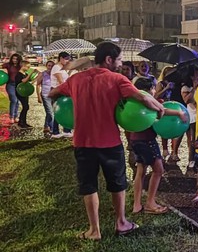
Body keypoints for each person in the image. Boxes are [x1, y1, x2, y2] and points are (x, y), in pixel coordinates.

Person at [48, 41, 165, 241]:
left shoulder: (76, 80)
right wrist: (160, 109)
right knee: (117, 184)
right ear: (109, 59)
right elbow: (142, 98)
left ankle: (94, 230)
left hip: (83, 143)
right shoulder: (117, 79)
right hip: (109, 142)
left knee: (89, 185)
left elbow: (52, 93)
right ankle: (121, 223)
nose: (120, 63)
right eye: (118, 59)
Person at [130, 77, 186, 215]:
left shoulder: (133, 102)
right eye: (154, 88)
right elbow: (162, 110)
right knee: (158, 170)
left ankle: (136, 205)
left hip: (135, 139)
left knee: (141, 170)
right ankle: (150, 203)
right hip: (147, 140)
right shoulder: (148, 101)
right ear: (148, 90)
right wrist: (179, 113)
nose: (155, 90)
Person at [182, 68, 198, 171]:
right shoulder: (186, 88)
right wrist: (195, 88)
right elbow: (187, 100)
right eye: (197, 75)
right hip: (192, 117)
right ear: (191, 77)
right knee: (192, 139)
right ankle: (191, 161)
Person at [51, 51, 73, 137]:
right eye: (66, 59)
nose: (67, 61)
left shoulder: (62, 68)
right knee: (58, 111)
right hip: (57, 92)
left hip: (62, 91)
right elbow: (61, 82)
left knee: (65, 110)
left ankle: (66, 130)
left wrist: (70, 72)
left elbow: (66, 79)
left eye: (69, 59)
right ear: (61, 58)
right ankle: (55, 132)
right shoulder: (56, 67)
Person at [36, 60, 55, 135]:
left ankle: (46, 126)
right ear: (46, 66)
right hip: (45, 95)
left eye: (52, 66)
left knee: (50, 112)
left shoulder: (55, 74)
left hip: (53, 95)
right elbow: (38, 85)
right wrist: (38, 96)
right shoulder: (42, 74)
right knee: (50, 112)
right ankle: (52, 128)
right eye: (49, 65)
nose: (50, 67)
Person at [2, 53, 22, 124]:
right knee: (14, 100)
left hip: (19, 85)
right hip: (10, 84)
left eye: (16, 59)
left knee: (17, 101)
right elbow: (1, 66)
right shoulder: (8, 65)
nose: (14, 60)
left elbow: (27, 70)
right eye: (13, 58)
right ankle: (11, 117)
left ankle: (16, 116)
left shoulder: (20, 66)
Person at [14, 61, 35, 129]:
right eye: (28, 67)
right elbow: (24, 81)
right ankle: (21, 122)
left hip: (25, 92)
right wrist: (31, 72)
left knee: (26, 107)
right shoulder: (19, 74)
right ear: (23, 66)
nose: (29, 68)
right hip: (20, 93)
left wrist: (37, 76)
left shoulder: (25, 73)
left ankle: (23, 122)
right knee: (25, 107)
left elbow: (30, 81)